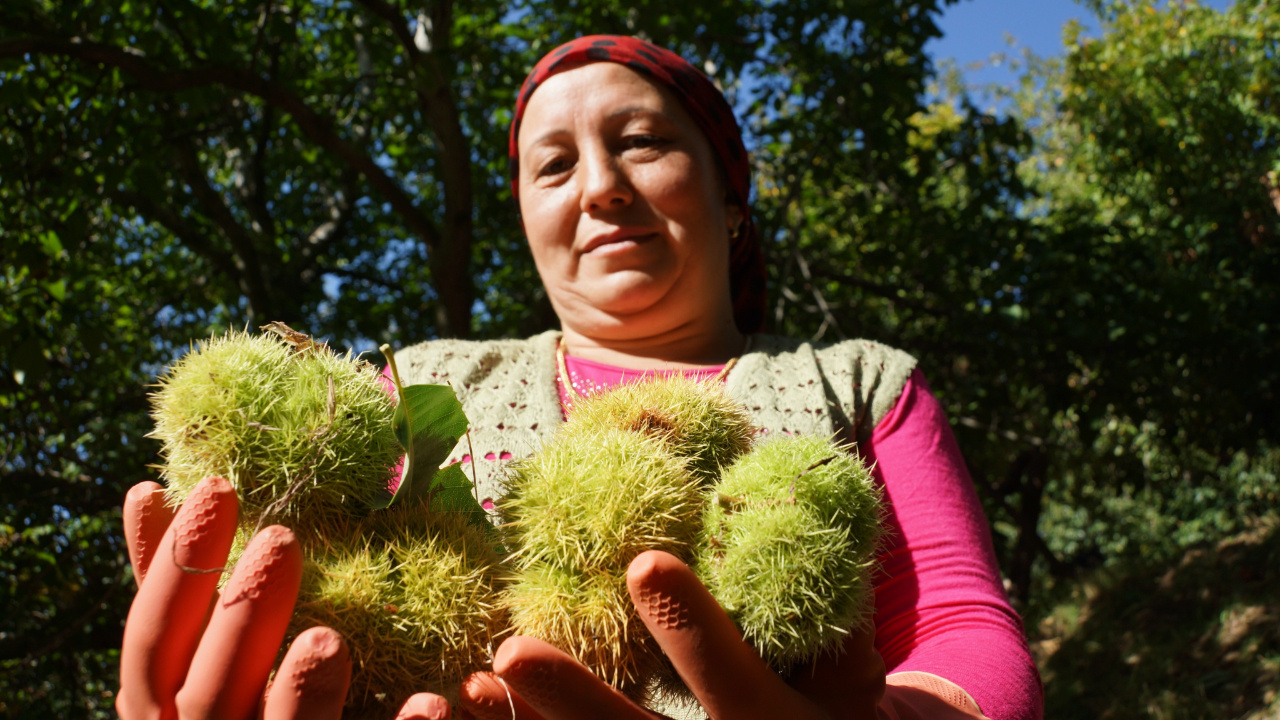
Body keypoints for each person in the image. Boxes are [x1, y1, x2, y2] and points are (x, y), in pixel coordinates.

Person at [117, 35, 1043, 720]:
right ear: (525, 220)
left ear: (730, 200)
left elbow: (965, 625)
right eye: (552, 164)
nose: (600, 184)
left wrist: (904, 718)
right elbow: (320, 558)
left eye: (641, 142)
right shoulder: (421, 381)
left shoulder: (855, 380)